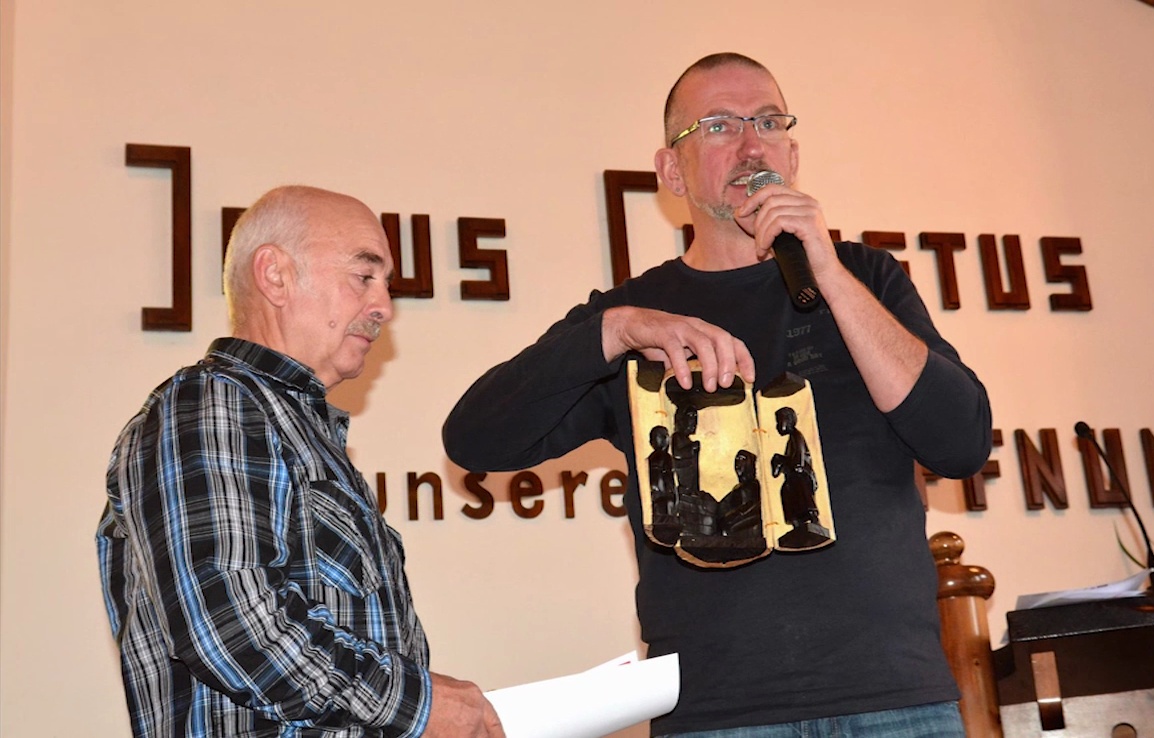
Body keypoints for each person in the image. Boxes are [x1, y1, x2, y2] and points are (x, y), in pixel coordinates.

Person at [444, 53, 992, 737]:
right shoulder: (634, 317)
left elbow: (960, 442)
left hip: (893, 700)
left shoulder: (866, 279)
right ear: (671, 172)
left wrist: (827, 270)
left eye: (768, 122)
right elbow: (476, 438)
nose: (751, 145)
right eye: (720, 126)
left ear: (793, 155)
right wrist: (612, 331)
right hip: (716, 713)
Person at [96, 185, 505, 738]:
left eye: (385, 284)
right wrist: (418, 706)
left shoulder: (296, 428)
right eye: (364, 275)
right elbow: (233, 626)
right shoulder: (213, 403)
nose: (384, 307)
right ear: (275, 276)